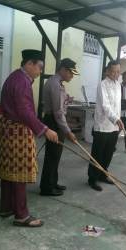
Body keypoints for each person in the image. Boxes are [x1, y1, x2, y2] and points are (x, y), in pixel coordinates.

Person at [0, 49, 58, 227]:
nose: (40, 72)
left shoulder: (15, 77)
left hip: (8, 130)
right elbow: (24, 112)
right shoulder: (23, 81)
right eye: (39, 67)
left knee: (9, 171)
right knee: (20, 173)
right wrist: (45, 129)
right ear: (29, 64)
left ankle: (6, 207)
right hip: (18, 132)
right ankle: (21, 215)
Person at [40, 58, 79, 196]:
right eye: (70, 73)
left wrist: (67, 100)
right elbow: (58, 112)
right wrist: (68, 131)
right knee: (52, 155)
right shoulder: (55, 84)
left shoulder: (57, 82)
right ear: (63, 70)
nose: (72, 76)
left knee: (56, 154)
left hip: (55, 120)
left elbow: (59, 105)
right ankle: (46, 187)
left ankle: (53, 182)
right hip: (53, 121)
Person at [88, 60, 124, 192]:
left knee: (108, 153)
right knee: (97, 154)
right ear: (107, 71)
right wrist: (116, 119)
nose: (116, 74)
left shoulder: (118, 85)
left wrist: (118, 120)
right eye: (113, 71)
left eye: (118, 71)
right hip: (102, 126)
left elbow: (117, 106)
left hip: (114, 127)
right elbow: (105, 106)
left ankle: (103, 175)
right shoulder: (102, 85)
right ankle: (92, 179)